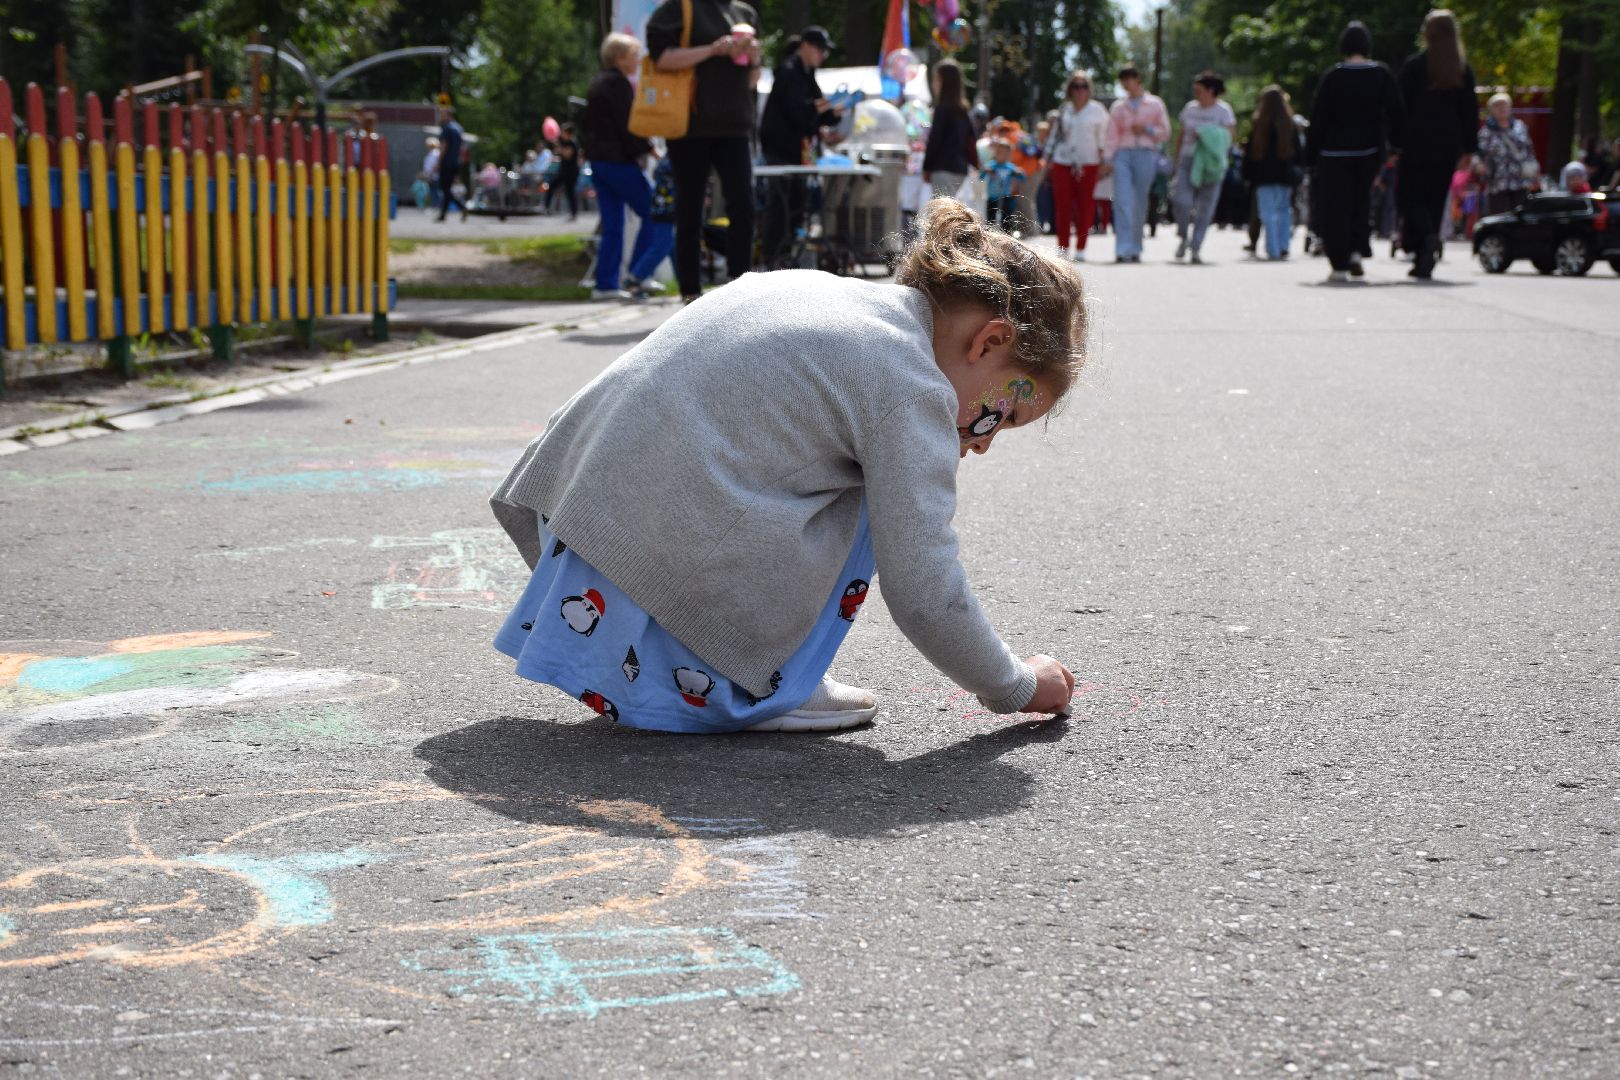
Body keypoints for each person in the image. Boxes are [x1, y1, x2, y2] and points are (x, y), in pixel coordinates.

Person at [489, 200, 1083, 734]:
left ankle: (739, 662)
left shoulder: (831, 295)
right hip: (641, 571)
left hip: (575, 527)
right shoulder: (909, 385)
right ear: (989, 340)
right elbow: (924, 585)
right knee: (889, 497)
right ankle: (759, 683)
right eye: (1000, 417)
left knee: (860, 463)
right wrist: (1016, 684)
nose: (982, 443)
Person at [646, 0, 761, 304]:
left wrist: (754, 58)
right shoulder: (679, 9)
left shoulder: (743, 12)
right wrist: (714, 49)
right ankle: (690, 291)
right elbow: (662, 59)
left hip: (735, 125)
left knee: (743, 206)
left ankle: (741, 289)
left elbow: (750, 80)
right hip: (691, 126)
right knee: (690, 209)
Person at [1305, 21, 1403, 282]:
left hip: (1334, 152)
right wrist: (1397, 145)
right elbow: (1396, 112)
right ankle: (1357, 251)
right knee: (1361, 202)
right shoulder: (1380, 75)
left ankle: (1338, 261)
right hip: (1368, 151)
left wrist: (1309, 156)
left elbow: (1319, 119)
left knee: (1336, 206)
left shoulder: (1333, 77)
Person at [1397, 9, 1478, 280]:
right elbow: (1469, 111)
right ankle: (1424, 254)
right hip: (1448, 144)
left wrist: (1395, 143)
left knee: (1409, 197)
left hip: (1416, 142)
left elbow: (1401, 108)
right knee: (1434, 198)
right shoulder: (1461, 71)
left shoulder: (1415, 66)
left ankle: (1426, 238)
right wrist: (1468, 148)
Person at [584, 33, 666, 301]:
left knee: (613, 225)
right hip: (618, 162)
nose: (638, 61)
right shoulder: (618, 84)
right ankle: (639, 275)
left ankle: (605, 284)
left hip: (599, 162)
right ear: (619, 58)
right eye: (634, 55)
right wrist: (649, 148)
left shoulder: (598, 83)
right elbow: (629, 125)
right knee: (655, 211)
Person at [759, 27, 843, 265]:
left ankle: (789, 255)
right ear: (804, 46)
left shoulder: (808, 74)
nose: (822, 55)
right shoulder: (788, 73)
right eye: (819, 49)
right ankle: (772, 257)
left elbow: (816, 113)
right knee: (781, 204)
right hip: (780, 150)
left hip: (800, 152)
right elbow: (799, 111)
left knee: (797, 202)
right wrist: (822, 107)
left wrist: (834, 113)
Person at [1103, 64, 1170, 263]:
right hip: (1122, 154)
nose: (1126, 84)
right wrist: (1107, 158)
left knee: (1140, 201)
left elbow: (1165, 132)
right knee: (1122, 200)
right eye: (1123, 81)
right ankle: (1123, 248)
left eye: (1129, 79)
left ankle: (1135, 246)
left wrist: (1148, 130)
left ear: (1138, 79)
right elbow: (1111, 135)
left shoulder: (1155, 104)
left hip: (1146, 154)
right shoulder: (1119, 106)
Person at [1170, 71, 1235, 265]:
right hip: (1188, 161)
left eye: (1199, 90)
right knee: (1181, 200)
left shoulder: (1223, 111)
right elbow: (1181, 135)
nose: (1196, 94)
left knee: (1205, 208)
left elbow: (1230, 136)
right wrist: (1176, 160)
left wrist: (1207, 135)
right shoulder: (1190, 109)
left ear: (1211, 90)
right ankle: (1183, 236)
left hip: (1211, 165)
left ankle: (1196, 246)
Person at [1044, 71, 1110, 262]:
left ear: (1089, 90)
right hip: (1062, 161)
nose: (1080, 90)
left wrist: (1105, 160)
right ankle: (1062, 247)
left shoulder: (1097, 110)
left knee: (1085, 206)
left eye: (1083, 86)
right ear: (1070, 89)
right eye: (1076, 86)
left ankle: (1081, 247)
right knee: (1062, 205)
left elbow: (1104, 138)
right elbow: (1054, 136)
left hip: (1088, 163)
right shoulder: (1065, 109)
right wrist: (1047, 158)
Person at [1242, 85, 1301, 261]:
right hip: (1284, 175)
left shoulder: (1259, 124)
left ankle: (1272, 248)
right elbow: (1298, 153)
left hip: (1263, 176)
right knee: (1284, 210)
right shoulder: (1290, 125)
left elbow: (1250, 155)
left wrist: (1247, 175)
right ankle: (1283, 246)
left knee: (1267, 212)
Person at [922, 59, 978, 201]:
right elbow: (972, 137)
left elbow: (935, 140)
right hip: (960, 169)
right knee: (949, 209)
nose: (934, 84)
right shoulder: (964, 110)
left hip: (943, 167)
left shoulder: (942, 109)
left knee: (942, 214)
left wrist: (926, 167)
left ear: (943, 82)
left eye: (936, 79)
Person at [1477, 92, 1538, 215]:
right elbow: (1478, 155)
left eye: (1504, 104)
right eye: (1497, 105)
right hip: (1497, 184)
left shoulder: (1520, 127)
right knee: (1500, 220)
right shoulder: (1485, 132)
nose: (1502, 108)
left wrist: (1535, 174)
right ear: (1491, 111)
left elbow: (1529, 151)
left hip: (1520, 182)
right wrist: (1478, 165)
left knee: (1521, 219)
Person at [980, 138, 1025, 231]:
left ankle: (1007, 235)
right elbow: (981, 176)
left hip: (1005, 196)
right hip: (992, 197)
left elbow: (1022, 177)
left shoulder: (1010, 167)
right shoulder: (992, 165)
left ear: (1008, 154)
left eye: (1005, 153)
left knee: (1007, 219)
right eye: (999, 152)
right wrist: (986, 171)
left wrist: (1019, 173)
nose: (1002, 155)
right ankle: (990, 235)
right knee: (990, 220)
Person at [434, 106, 468, 222]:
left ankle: (461, 207)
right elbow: (462, 147)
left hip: (447, 162)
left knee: (445, 188)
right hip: (456, 162)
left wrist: (438, 162)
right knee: (447, 189)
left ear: (448, 115)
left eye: (442, 114)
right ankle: (443, 215)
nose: (440, 117)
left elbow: (444, 146)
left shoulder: (447, 128)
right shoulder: (459, 128)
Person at [547, 124, 582, 220]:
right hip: (563, 171)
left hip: (571, 172)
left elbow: (567, 155)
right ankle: (547, 207)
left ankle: (574, 213)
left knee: (570, 192)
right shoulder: (564, 142)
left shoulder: (572, 143)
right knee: (552, 186)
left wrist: (559, 146)